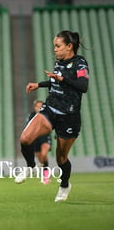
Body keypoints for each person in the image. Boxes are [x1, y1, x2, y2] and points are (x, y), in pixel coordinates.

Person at [15, 30, 89, 202]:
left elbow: (83, 86)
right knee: (25, 139)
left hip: (69, 115)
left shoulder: (80, 63)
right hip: (51, 108)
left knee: (61, 157)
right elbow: (55, 80)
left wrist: (62, 79)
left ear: (69, 46)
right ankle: (31, 167)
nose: (54, 49)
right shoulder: (59, 62)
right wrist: (39, 84)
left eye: (58, 46)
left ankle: (64, 185)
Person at [27, 100, 52, 184]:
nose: (40, 108)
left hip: (45, 137)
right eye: (38, 106)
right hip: (35, 138)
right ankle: (44, 174)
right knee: (40, 158)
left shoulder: (47, 115)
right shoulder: (32, 115)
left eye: (41, 106)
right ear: (35, 107)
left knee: (44, 154)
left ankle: (46, 177)